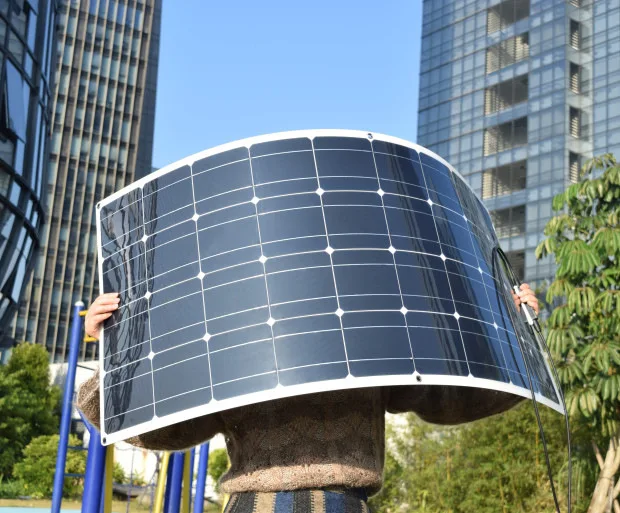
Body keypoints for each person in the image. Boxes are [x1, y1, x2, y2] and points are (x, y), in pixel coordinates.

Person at [77, 285, 539, 513]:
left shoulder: (370, 328)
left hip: (344, 505)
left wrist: (520, 340)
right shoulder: (230, 338)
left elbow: (451, 395)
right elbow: (158, 426)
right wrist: (112, 351)